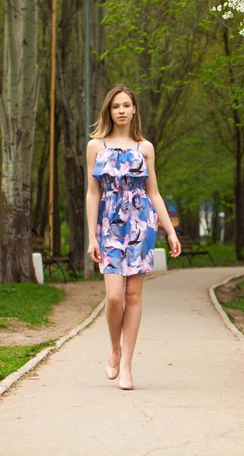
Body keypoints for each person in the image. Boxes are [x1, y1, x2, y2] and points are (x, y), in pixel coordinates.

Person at [86, 84, 181, 391]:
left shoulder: (145, 148)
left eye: (127, 105)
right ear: (109, 111)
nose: (122, 110)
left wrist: (170, 230)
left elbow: (153, 192)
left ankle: (126, 365)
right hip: (110, 225)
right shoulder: (95, 146)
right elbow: (92, 193)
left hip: (141, 224)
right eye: (116, 106)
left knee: (133, 297)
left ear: (134, 109)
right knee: (114, 297)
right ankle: (114, 349)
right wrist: (92, 236)